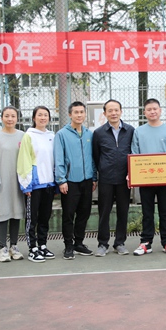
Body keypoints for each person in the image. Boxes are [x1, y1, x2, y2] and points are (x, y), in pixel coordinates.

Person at [131, 98, 166, 256]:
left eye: (155, 109)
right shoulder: (139, 131)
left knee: (165, 211)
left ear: (160, 110)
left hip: (165, 179)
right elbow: (134, 155)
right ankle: (146, 242)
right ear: (144, 112)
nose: (152, 112)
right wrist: (135, 175)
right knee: (147, 212)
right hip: (145, 179)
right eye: (149, 109)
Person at [54, 102, 97, 260]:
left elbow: (92, 157)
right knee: (68, 215)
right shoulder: (61, 134)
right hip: (69, 181)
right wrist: (61, 180)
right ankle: (68, 246)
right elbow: (58, 159)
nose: (79, 115)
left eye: (81, 112)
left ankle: (79, 243)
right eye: (76, 112)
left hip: (87, 181)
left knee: (84, 214)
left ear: (85, 114)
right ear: (70, 114)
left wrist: (94, 177)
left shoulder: (89, 134)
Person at [92, 99, 135, 257]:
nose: (113, 113)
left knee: (123, 212)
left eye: (116, 110)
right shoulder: (98, 133)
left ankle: (120, 243)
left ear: (121, 111)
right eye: (110, 111)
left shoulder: (130, 130)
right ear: (105, 113)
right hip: (106, 179)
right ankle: (103, 244)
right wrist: (102, 171)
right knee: (104, 213)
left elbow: (134, 152)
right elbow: (96, 156)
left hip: (125, 179)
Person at [17, 106, 57, 263]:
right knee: (32, 218)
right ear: (34, 118)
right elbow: (24, 160)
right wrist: (26, 184)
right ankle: (32, 248)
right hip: (34, 185)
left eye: (45, 115)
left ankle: (42, 245)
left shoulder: (52, 136)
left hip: (49, 184)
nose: (43, 118)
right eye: (39, 115)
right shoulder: (28, 136)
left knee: (44, 218)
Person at [0, 106, 25, 262]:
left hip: (18, 182)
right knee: (2, 213)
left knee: (16, 213)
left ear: (17, 118)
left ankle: (14, 246)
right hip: (1, 182)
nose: (10, 119)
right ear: (2, 118)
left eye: (13, 116)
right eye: (7, 116)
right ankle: (2, 248)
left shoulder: (22, 135)